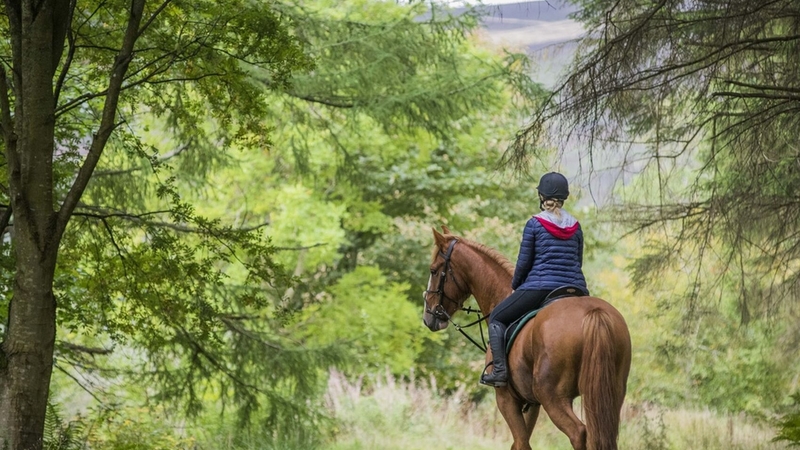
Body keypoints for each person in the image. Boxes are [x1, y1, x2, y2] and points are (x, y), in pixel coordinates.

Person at [480, 172, 589, 387]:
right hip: (575, 288)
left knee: (497, 318)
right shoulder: (575, 226)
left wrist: (515, 285)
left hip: (540, 287)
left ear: (541, 196)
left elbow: (523, 264)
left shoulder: (535, 224)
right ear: (564, 197)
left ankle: (499, 372)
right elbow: (578, 260)